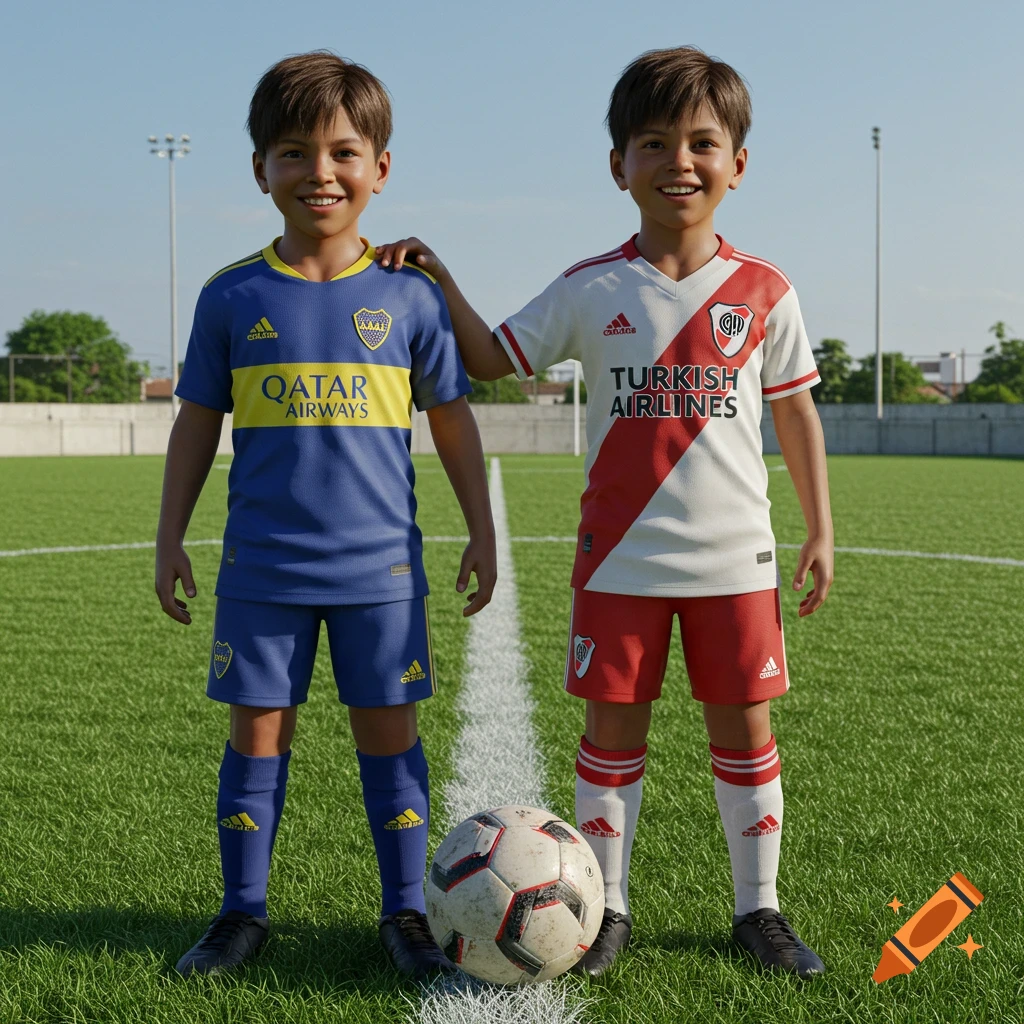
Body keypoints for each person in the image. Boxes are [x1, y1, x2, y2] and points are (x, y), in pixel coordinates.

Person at [373, 45, 833, 980]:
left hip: (736, 560)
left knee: (745, 734)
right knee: (612, 738)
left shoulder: (765, 290)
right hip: (619, 559)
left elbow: (795, 413)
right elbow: (494, 358)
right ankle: (608, 908)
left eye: (702, 142)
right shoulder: (592, 287)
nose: (679, 162)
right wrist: (441, 277)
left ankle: (759, 910)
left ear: (738, 163)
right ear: (618, 165)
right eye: (653, 143)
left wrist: (820, 527)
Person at [154, 50, 496, 981]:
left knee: (390, 738)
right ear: (259, 168)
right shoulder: (231, 295)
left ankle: (405, 915)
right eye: (294, 153)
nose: (321, 173)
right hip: (262, 569)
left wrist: (482, 527)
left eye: (344, 152)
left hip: (379, 571)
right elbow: (196, 422)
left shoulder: (410, 294)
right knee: (256, 736)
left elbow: (452, 420)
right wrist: (169, 536)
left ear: (380, 168)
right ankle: (241, 914)